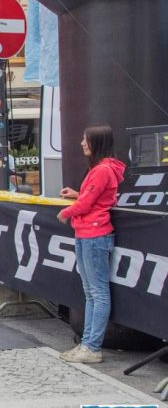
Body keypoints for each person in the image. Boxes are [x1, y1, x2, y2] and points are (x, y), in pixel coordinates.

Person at [57, 124, 124, 364]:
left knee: (96, 292)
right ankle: (88, 343)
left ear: (96, 143)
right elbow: (99, 198)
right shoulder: (102, 169)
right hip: (90, 233)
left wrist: (68, 211)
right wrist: (78, 196)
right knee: (92, 292)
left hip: (94, 234)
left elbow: (89, 204)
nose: (82, 143)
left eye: (86, 140)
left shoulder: (101, 170)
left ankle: (92, 346)